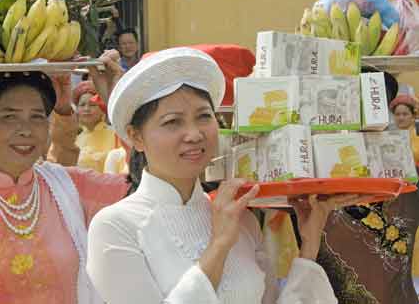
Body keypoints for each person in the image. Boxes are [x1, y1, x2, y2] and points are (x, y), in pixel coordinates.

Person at [86, 47, 362, 304]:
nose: (194, 134)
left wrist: (310, 242)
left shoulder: (239, 217)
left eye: (204, 117)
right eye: (173, 122)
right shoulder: (115, 226)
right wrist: (219, 245)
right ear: (136, 137)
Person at [0, 68, 128, 304]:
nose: (26, 130)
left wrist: (118, 102)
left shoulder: (70, 188)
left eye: (37, 116)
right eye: (10, 116)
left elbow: (145, 187)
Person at [73, 80, 117, 172]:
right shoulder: (74, 140)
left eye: (92, 105)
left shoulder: (115, 135)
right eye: (82, 105)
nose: (86, 109)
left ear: (102, 109)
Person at [390, 94, 419, 164]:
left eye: (405, 114)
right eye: (397, 114)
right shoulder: (390, 137)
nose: (401, 118)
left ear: (413, 116)